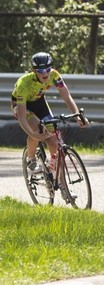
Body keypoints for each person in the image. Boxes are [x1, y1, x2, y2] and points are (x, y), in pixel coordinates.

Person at [11, 52, 87, 200]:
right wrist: (34, 135)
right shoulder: (23, 83)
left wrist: (78, 116)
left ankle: (63, 187)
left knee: (54, 143)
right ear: (34, 71)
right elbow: (21, 117)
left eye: (47, 69)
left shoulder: (54, 75)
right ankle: (31, 159)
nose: (45, 73)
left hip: (39, 102)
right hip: (22, 105)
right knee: (37, 129)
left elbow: (66, 96)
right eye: (40, 71)